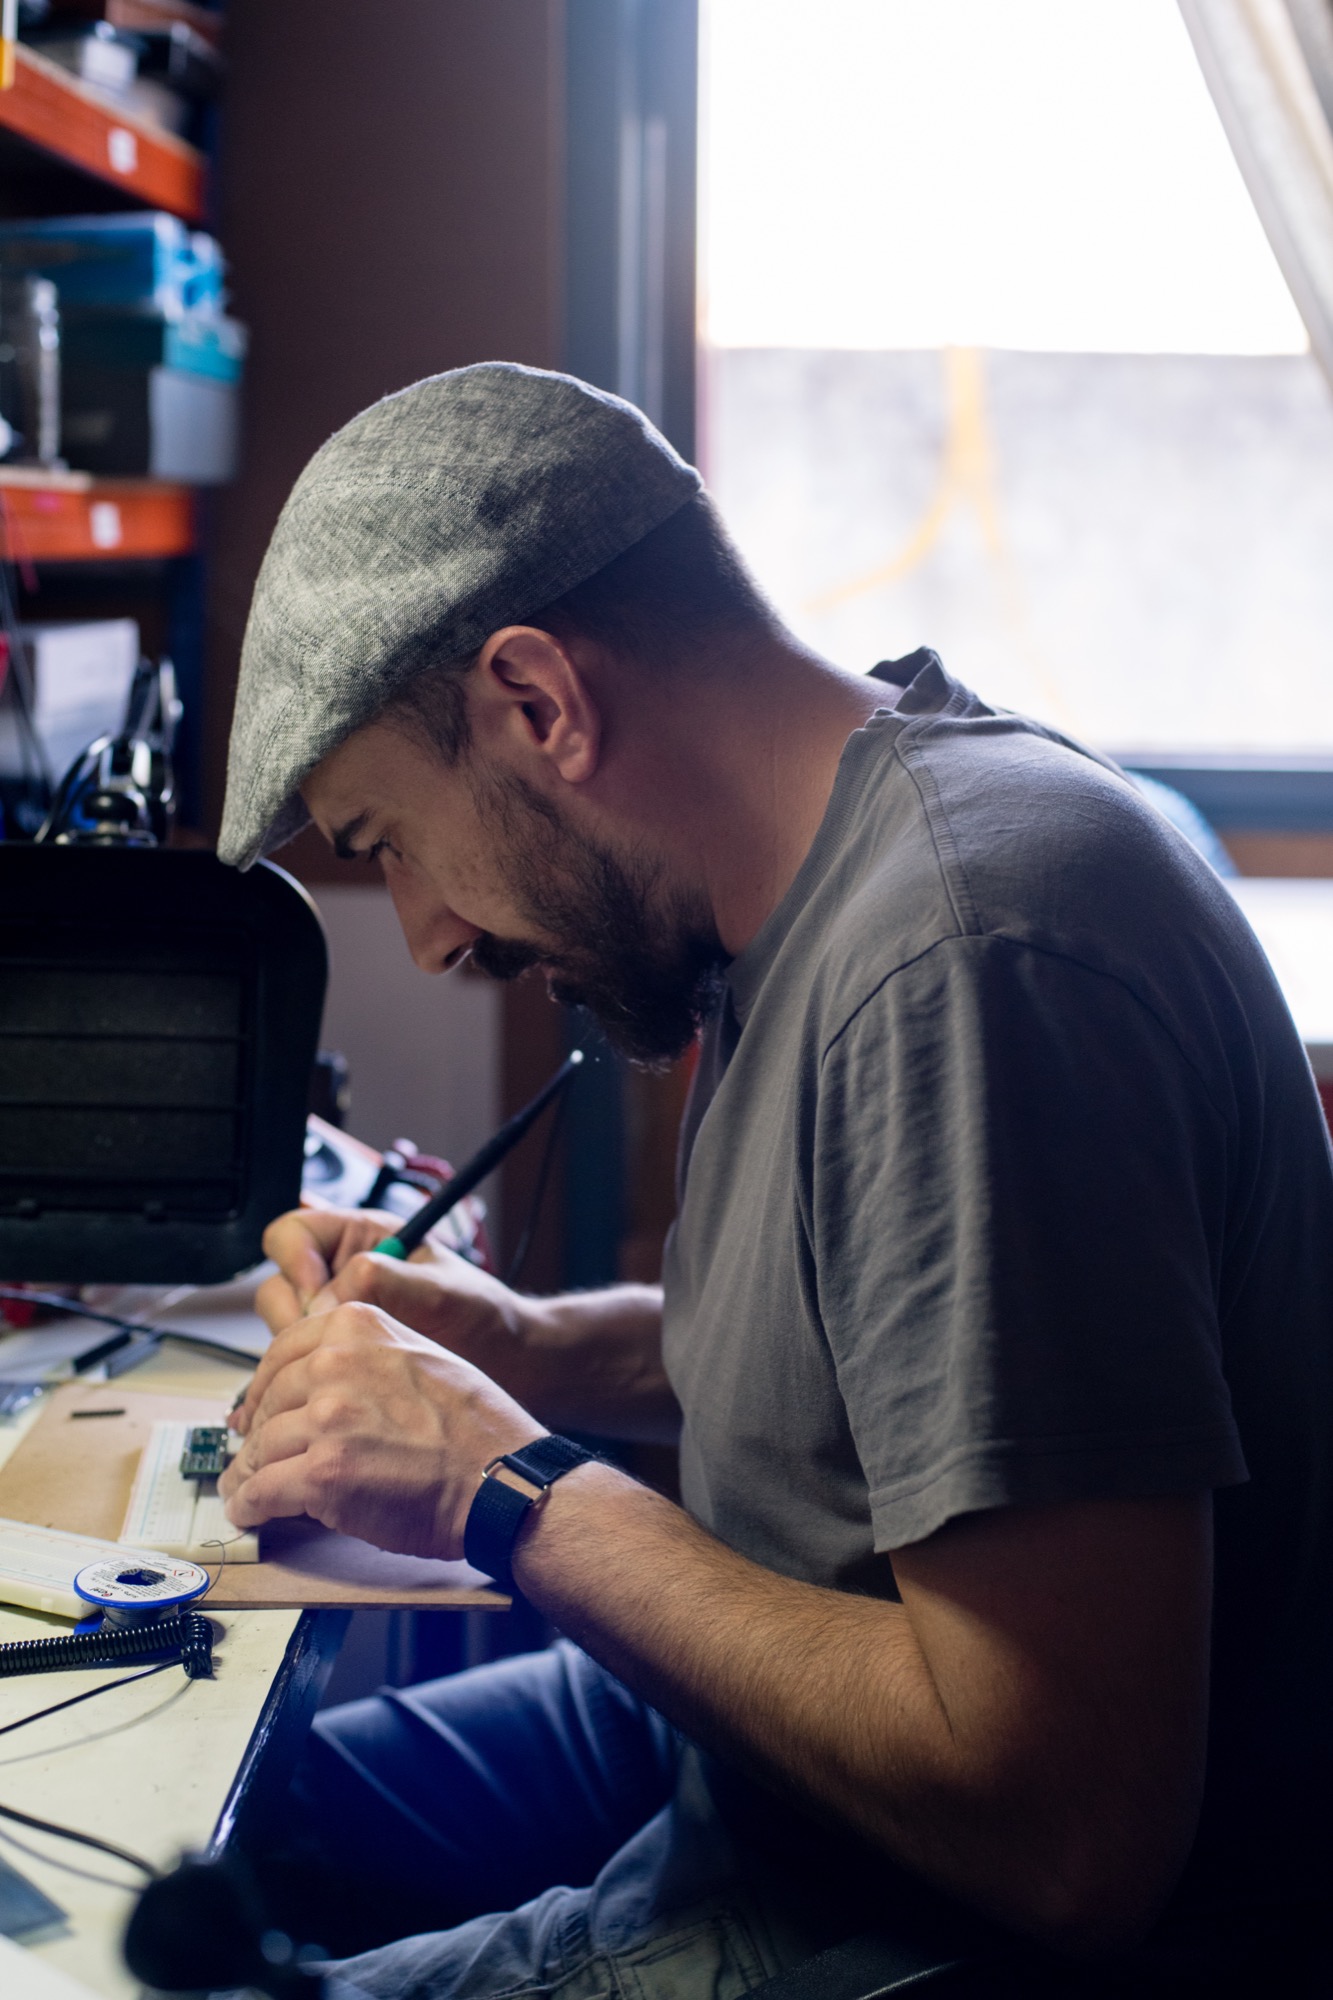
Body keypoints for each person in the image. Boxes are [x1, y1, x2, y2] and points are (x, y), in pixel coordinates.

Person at [216, 364, 1333, 1998]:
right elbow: (885, 1377)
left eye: (388, 841)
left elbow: (1065, 1829)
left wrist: (499, 1483)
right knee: (211, 1848)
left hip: (919, 1907)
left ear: (538, 701)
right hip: (761, 1751)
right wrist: (522, 1345)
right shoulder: (816, 875)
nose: (434, 937)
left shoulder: (961, 961)